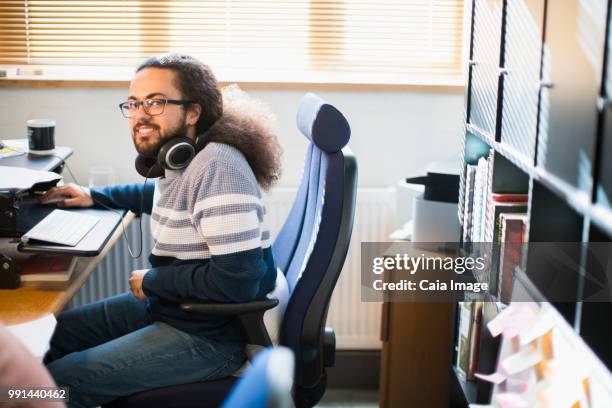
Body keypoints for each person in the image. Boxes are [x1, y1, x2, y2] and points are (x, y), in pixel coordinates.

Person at [40, 54, 283, 407]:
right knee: (53, 336)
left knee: (53, 386)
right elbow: (163, 197)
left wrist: (153, 280)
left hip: (209, 338)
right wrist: (93, 196)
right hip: (175, 310)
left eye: (156, 102)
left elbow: (237, 282)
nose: (140, 114)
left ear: (193, 112)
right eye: (134, 103)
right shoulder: (187, 158)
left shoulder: (219, 168)